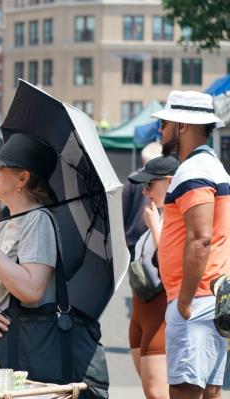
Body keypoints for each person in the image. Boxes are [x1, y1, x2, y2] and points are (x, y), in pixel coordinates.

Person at [153, 91, 228, 399]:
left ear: (182, 125)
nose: (160, 130)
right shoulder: (211, 165)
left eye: (164, 123)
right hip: (210, 295)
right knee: (208, 391)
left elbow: (201, 239)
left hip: (195, 300)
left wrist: (183, 303)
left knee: (184, 390)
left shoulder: (194, 170)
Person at [0, 133, 57, 344]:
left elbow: (32, 290)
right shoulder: (4, 222)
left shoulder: (37, 220)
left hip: (21, 347)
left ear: (22, 178)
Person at [127, 156, 179, 399]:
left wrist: (155, 226)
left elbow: (174, 265)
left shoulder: (178, 217)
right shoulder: (159, 216)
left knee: (159, 394)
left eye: (149, 185)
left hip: (160, 311)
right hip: (142, 311)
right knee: (152, 392)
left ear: (169, 182)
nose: (145, 192)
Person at [122, 142, 162, 259]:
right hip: (134, 242)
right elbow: (121, 214)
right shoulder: (133, 181)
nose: (146, 191)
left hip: (153, 240)